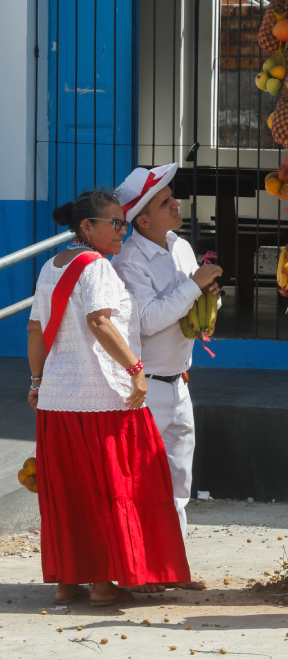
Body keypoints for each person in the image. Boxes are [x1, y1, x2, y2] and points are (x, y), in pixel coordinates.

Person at [28, 189, 190, 607]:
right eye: (114, 223)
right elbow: (99, 321)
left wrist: (36, 381)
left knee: (69, 492)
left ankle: (69, 582)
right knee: (111, 488)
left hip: (56, 401)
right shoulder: (97, 267)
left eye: (123, 222)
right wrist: (136, 370)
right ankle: (102, 584)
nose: (122, 229)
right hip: (103, 399)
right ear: (87, 227)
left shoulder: (50, 266)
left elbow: (34, 330)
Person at [113, 163, 222, 590]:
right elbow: (145, 319)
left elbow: (185, 306)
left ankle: (171, 569)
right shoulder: (128, 263)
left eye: (172, 196)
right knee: (144, 483)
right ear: (142, 219)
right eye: (165, 201)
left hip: (180, 383)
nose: (176, 203)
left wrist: (206, 298)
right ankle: (138, 571)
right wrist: (194, 285)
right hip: (147, 389)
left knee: (179, 484)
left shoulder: (179, 246)